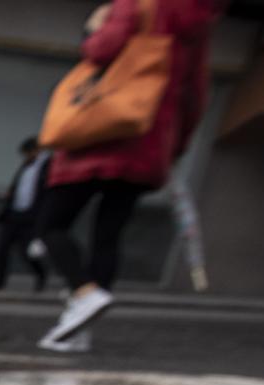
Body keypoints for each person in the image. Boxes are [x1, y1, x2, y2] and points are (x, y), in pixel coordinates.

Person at [37, 0, 219, 352]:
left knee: (50, 225)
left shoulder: (136, 3)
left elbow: (102, 50)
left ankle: (84, 294)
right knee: (108, 233)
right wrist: (175, 145)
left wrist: (93, 30)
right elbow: (195, 94)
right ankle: (79, 330)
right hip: (149, 142)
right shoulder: (198, 22)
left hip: (101, 132)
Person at [0, 138, 52, 292]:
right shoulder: (26, 166)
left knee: (28, 252)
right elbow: (21, 186)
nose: (26, 157)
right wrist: (9, 195)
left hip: (31, 216)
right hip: (14, 213)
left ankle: (41, 276)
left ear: (35, 151)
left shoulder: (48, 167)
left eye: (28, 153)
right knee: (2, 248)